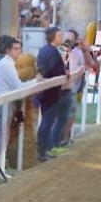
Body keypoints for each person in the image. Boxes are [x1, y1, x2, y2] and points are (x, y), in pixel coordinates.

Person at [0, 35, 33, 156]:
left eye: (19, 48)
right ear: (8, 50)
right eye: (16, 48)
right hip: (2, 104)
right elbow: (18, 86)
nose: (19, 51)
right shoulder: (6, 64)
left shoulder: (4, 63)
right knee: (2, 137)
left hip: (0, 103)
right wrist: (36, 81)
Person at [61, 28, 99, 145]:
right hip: (58, 89)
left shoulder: (79, 52)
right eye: (65, 40)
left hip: (72, 89)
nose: (67, 42)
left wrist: (86, 50)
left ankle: (65, 138)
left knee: (70, 113)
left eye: (70, 40)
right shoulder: (57, 51)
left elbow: (94, 66)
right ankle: (60, 139)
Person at [36, 26, 68, 161]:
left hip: (45, 91)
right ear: (53, 37)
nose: (61, 38)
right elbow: (55, 72)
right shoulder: (53, 52)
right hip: (51, 92)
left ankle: (43, 149)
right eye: (59, 35)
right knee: (47, 122)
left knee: (46, 121)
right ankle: (42, 151)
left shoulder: (44, 50)